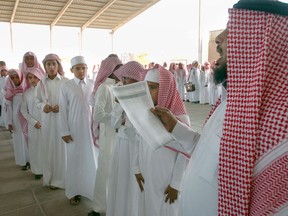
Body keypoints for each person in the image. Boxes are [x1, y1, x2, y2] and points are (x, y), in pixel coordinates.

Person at [151, 1, 288, 215]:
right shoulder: (230, 102)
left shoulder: (281, 128)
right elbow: (211, 156)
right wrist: (175, 128)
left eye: (232, 29)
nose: (219, 39)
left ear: (262, 42)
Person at [135, 65, 189, 216]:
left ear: (166, 90)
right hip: (146, 171)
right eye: (145, 88)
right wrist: (137, 168)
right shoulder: (145, 112)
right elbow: (138, 141)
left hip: (166, 177)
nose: (147, 92)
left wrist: (176, 183)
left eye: (152, 88)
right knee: (147, 206)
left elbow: (184, 152)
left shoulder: (180, 117)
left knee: (165, 208)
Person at [106, 61, 146, 216]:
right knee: (121, 181)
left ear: (137, 79)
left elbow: (139, 132)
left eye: (127, 79)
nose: (124, 82)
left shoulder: (145, 100)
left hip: (137, 149)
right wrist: (118, 105)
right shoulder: (123, 98)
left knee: (134, 184)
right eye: (123, 79)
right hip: (122, 146)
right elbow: (114, 123)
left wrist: (123, 128)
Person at [59, 56, 98, 205]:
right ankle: (74, 192)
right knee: (75, 160)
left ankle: (91, 190)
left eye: (84, 68)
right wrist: (64, 131)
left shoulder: (93, 84)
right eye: (78, 68)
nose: (81, 71)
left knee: (91, 158)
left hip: (90, 129)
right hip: (74, 129)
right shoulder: (67, 86)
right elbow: (63, 110)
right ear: (71, 70)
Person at [88, 55, 123, 216]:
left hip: (120, 137)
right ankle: (99, 207)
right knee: (105, 171)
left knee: (117, 172)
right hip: (108, 136)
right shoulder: (104, 88)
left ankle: (115, 206)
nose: (120, 71)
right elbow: (98, 115)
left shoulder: (120, 86)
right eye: (117, 68)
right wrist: (116, 118)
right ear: (109, 70)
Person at [35, 53, 69, 189]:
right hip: (48, 120)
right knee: (49, 148)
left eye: (54, 64)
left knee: (62, 150)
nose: (51, 67)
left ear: (58, 65)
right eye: (48, 64)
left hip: (62, 120)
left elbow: (71, 100)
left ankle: (61, 180)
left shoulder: (66, 81)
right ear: (45, 67)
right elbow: (37, 101)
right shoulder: (41, 83)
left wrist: (62, 107)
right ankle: (50, 178)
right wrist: (44, 106)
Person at [20, 67, 45, 179]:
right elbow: (23, 111)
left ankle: (48, 169)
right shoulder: (26, 94)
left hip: (46, 124)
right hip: (33, 125)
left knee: (46, 147)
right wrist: (34, 122)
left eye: (35, 77)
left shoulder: (45, 91)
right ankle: (38, 170)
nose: (33, 80)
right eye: (30, 77)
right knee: (35, 148)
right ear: (27, 80)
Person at [4, 68, 30, 170]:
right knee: (19, 140)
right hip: (16, 120)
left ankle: (31, 160)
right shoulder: (9, 94)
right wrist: (9, 122)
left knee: (29, 139)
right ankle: (23, 162)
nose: (15, 80)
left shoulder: (27, 90)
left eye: (17, 77)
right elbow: (8, 109)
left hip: (27, 119)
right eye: (12, 78)